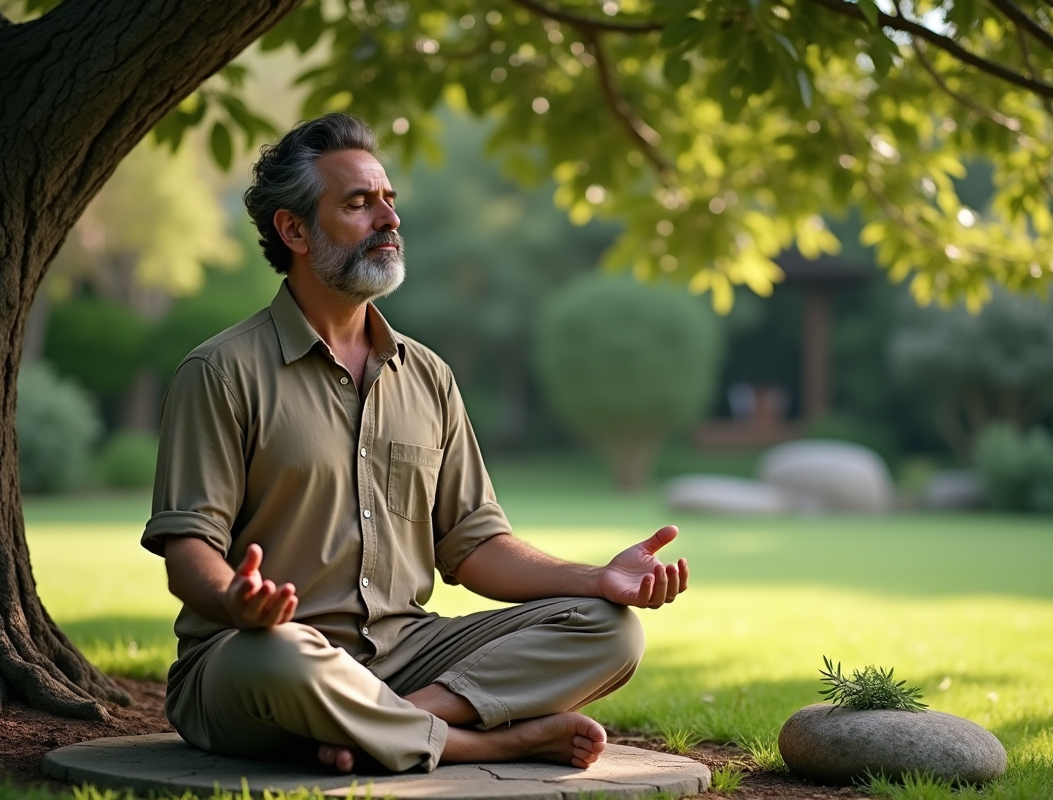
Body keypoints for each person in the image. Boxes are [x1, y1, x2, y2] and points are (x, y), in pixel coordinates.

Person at [141, 113, 688, 776]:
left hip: (405, 654)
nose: (389, 220)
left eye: (389, 202)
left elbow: (475, 545)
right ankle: (481, 742)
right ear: (294, 231)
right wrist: (238, 602)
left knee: (610, 630)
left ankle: (383, 726)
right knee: (280, 653)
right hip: (260, 659)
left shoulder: (427, 376)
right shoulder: (222, 371)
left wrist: (596, 578)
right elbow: (188, 550)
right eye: (358, 204)